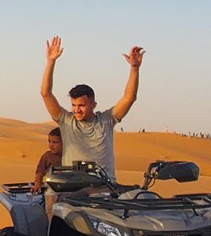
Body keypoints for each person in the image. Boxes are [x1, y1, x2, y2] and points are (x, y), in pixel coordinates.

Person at [40, 36, 144, 180]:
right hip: (72, 187)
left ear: (93, 104)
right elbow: (46, 94)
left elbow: (129, 98)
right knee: (51, 197)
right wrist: (51, 62)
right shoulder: (66, 120)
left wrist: (134, 68)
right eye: (74, 105)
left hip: (104, 187)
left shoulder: (106, 120)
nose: (76, 110)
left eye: (81, 105)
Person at [29, 127, 62, 194]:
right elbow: (40, 172)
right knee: (50, 195)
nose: (51, 145)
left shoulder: (70, 155)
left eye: (55, 142)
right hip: (52, 187)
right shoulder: (47, 156)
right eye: (49, 141)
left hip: (69, 187)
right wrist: (37, 184)